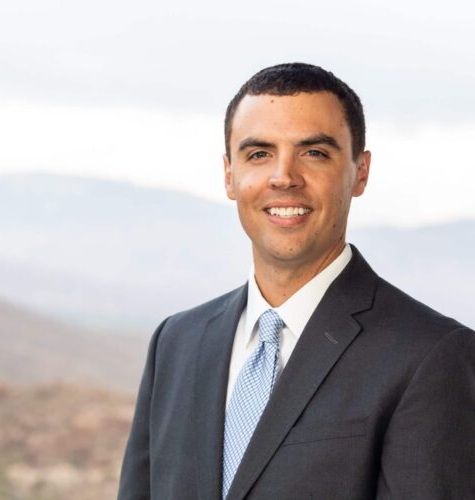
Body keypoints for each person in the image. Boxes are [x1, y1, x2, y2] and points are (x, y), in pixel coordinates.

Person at [117, 63, 474, 499]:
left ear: (360, 172)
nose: (284, 177)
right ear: (229, 174)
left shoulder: (431, 357)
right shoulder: (176, 342)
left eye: (314, 153)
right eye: (259, 154)